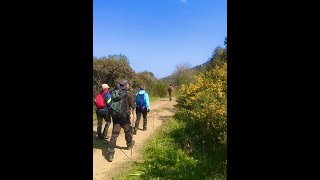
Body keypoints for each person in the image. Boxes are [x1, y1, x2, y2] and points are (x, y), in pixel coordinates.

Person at [107, 80, 136, 162]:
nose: (129, 86)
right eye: (128, 84)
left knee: (115, 134)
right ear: (126, 85)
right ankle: (129, 144)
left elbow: (109, 103)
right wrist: (133, 109)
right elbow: (133, 105)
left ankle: (111, 153)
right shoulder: (128, 94)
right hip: (124, 117)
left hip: (115, 116)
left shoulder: (114, 93)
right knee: (127, 130)